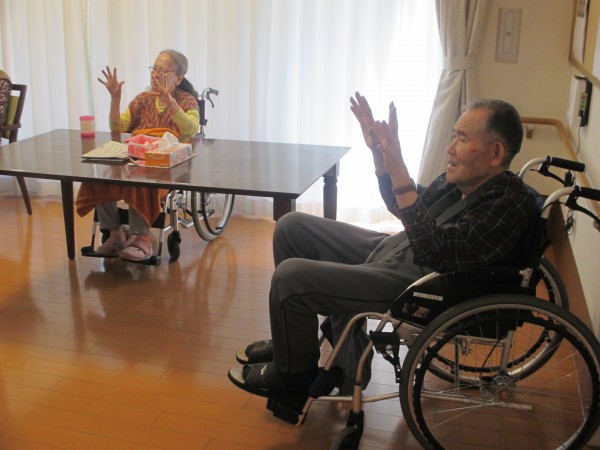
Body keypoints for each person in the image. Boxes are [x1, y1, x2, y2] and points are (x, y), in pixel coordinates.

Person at [227, 93, 540, 402]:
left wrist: (400, 170)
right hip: (400, 251)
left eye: (461, 138)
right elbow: (406, 208)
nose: (450, 147)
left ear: (495, 153)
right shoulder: (461, 182)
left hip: (422, 284)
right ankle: (294, 346)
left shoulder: (509, 204)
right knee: (291, 227)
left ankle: (293, 375)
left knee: (290, 277)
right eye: (453, 136)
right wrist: (381, 156)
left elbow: (439, 252)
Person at [76, 49, 200, 261]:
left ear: (178, 78)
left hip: (167, 162)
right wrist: (115, 98)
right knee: (98, 177)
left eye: (162, 70)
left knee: (141, 180)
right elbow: (118, 126)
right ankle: (115, 233)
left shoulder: (187, 101)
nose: (155, 74)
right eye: (154, 68)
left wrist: (170, 102)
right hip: (136, 154)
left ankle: (142, 239)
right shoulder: (143, 99)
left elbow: (191, 129)